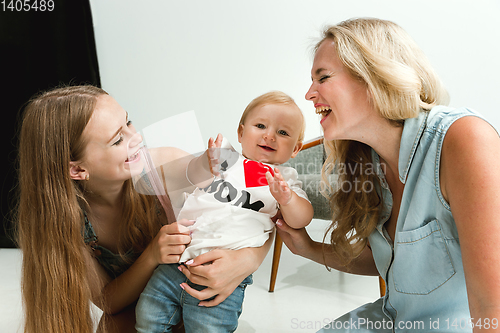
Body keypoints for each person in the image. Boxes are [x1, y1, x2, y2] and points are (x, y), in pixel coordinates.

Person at [276, 17, 500, 332]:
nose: (309, 94)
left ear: (374, 75)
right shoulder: (366, 161)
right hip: (390, 320)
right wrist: (308, 248)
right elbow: (391, 264)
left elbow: (493, 309)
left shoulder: (463, 138)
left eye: (322, 77)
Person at [16, 85, 273, 333]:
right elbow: (109, 301)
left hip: (190, 290)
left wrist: (248, 258)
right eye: (118, 140)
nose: (136, 137)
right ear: (77, 169)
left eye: (128, 122)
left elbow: (201, 176)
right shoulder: (66, 221)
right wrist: (152, 255)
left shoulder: (158, 165)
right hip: (137, 305)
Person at [135, 91, 314, 332]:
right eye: (260, 125)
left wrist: (288, 200)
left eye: (282, 133)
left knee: (208, 328)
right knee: (147, 315)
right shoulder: (227, 159)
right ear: (240, 133)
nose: (269, 136)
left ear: (296, 149)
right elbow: (195, 177)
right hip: (177, 261)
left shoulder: (285, 181)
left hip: (224, 274)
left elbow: (302, 219)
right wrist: (206, 162)